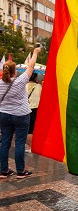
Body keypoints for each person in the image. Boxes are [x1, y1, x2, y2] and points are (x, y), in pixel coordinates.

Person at [0, 47, 41, 180]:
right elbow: (31, 65)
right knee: (19, 143)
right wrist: (35, 53)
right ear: (14, 72)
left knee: (5, 142)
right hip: (21, 115)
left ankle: (4, 170)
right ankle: (20, 171)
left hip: (4, 115)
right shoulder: (20, 80)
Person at [26, 72, 42, 151]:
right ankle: (33, 147)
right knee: (33, 128)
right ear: (35, 78)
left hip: (26, 109)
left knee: (28, 129)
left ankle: (30, 146)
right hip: (36, 109)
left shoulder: (24, 86)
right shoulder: (39, 86)